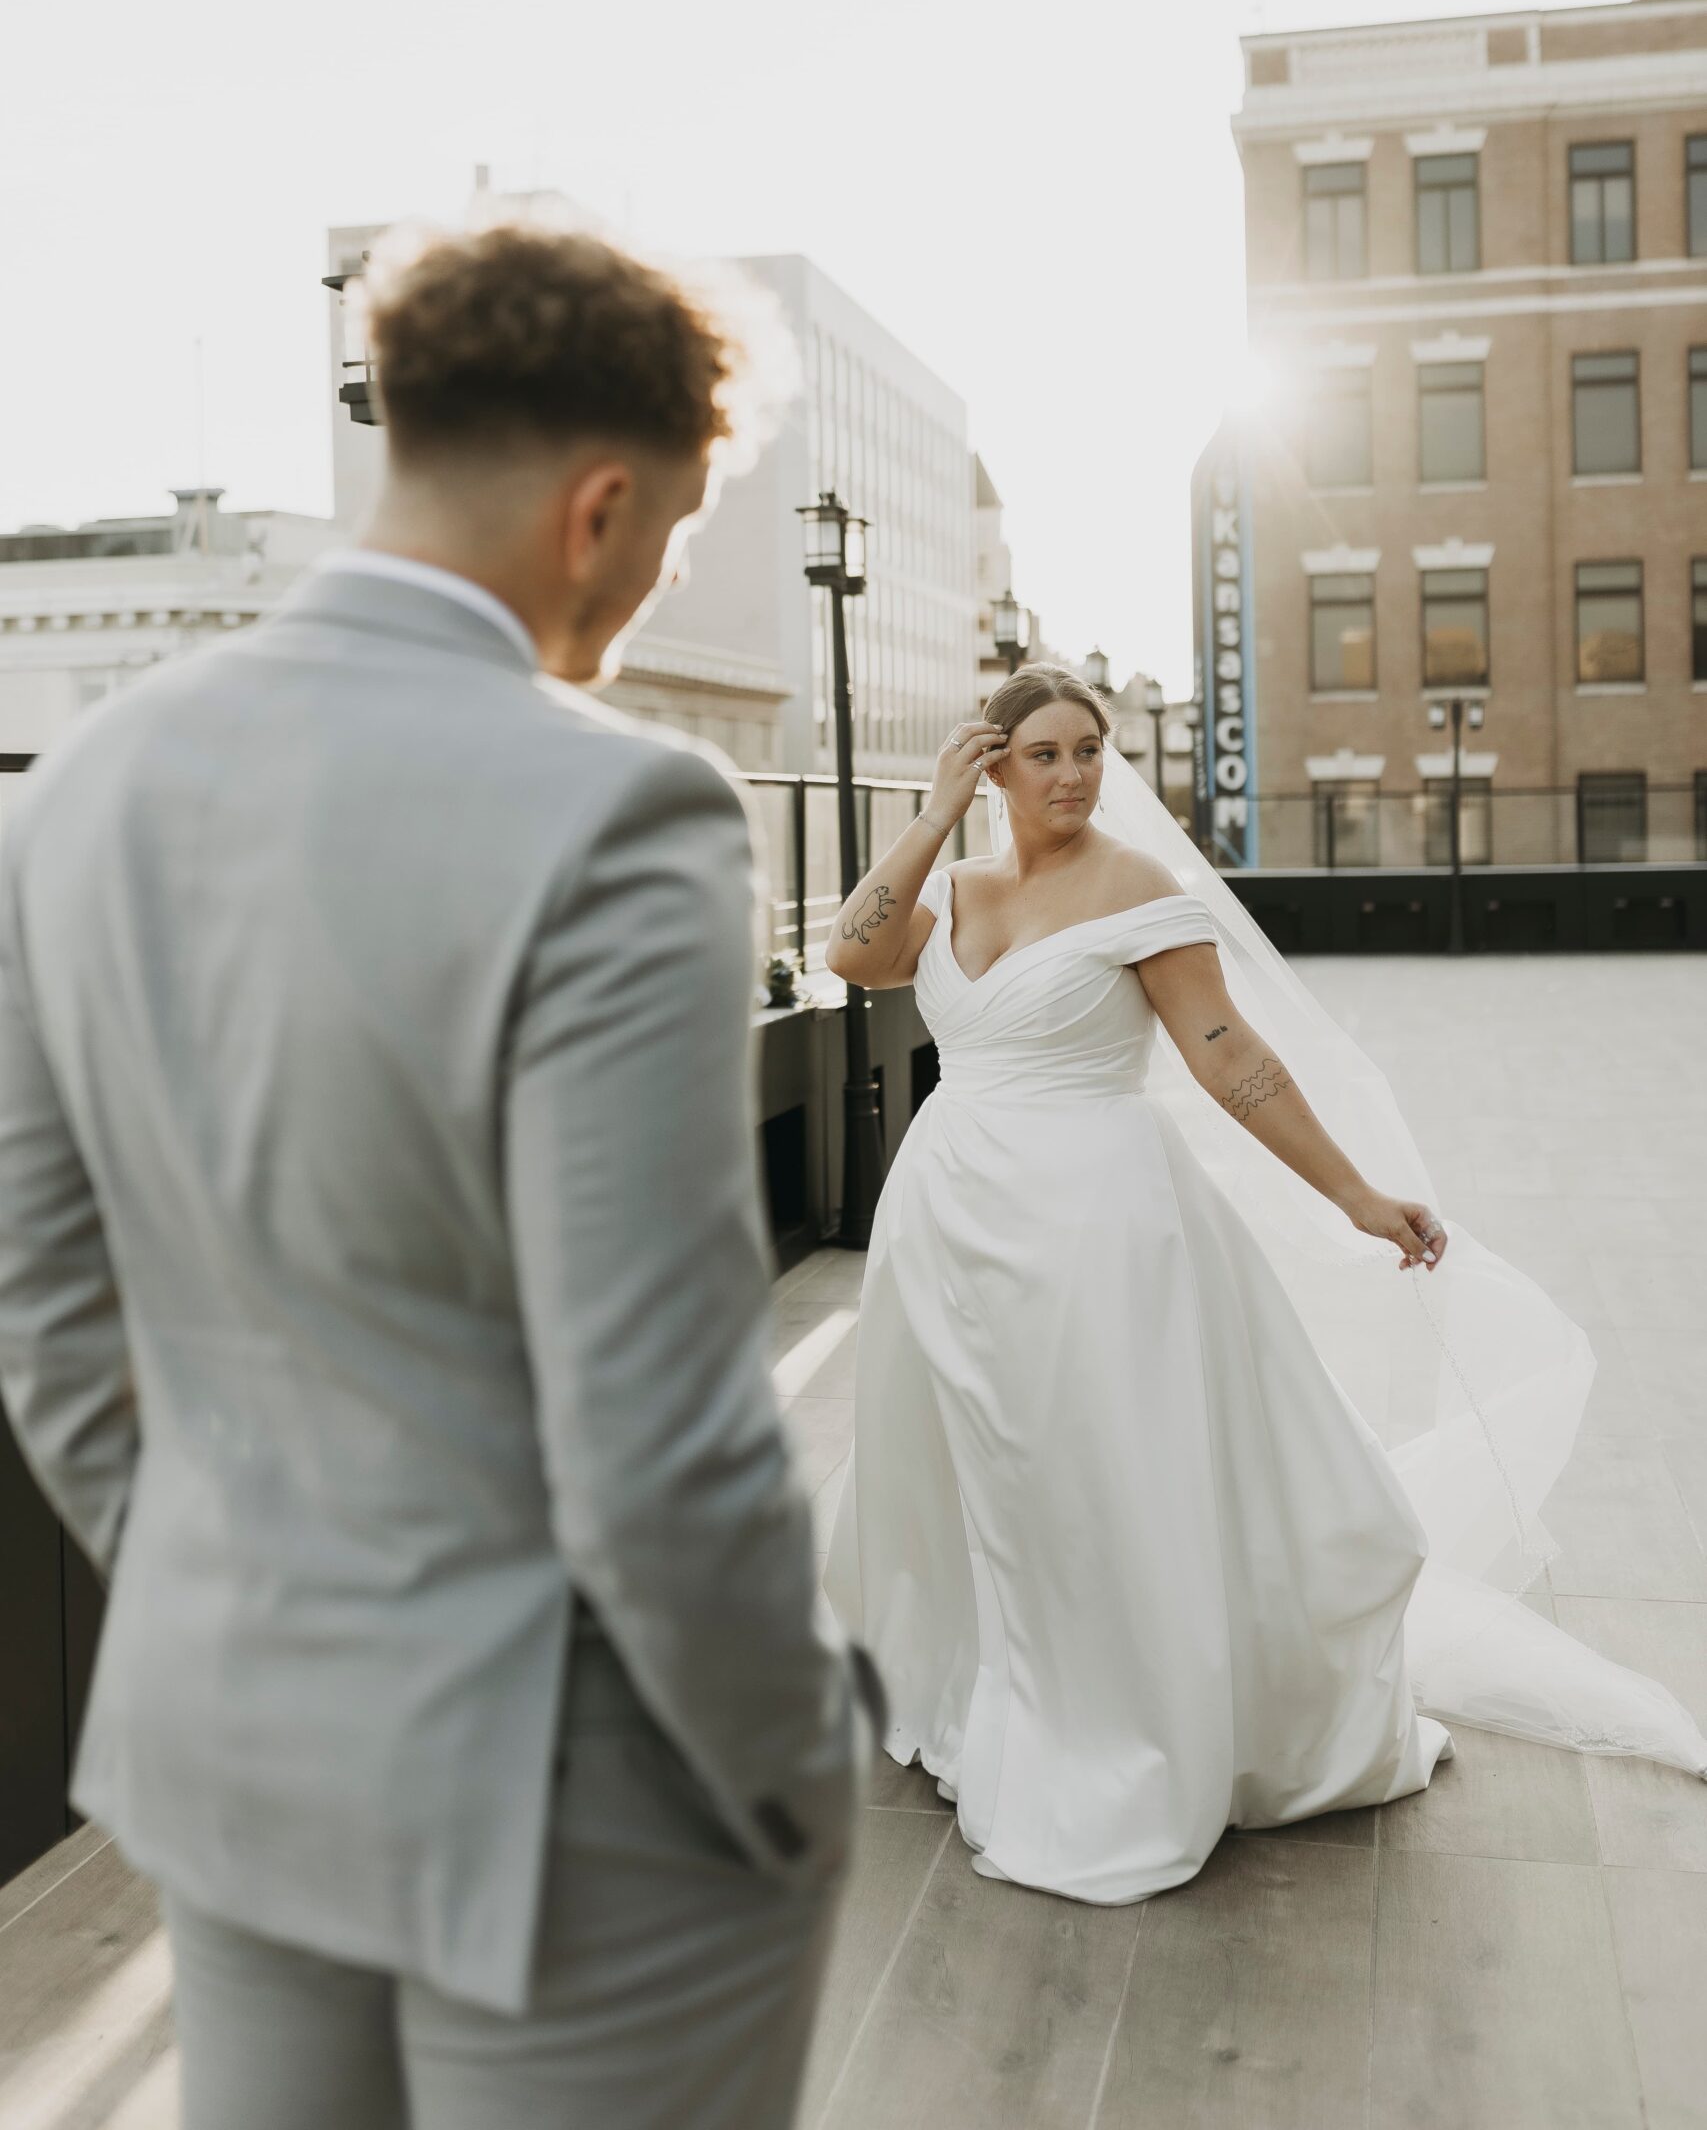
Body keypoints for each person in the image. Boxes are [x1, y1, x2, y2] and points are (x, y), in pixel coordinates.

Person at [0, 221, 878, 2129]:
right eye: (669, 535)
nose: (648, 587)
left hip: (232, 1744)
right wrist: (800, 1758)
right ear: (599, 506)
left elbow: (48, 1321)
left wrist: (242, 1602)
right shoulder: (620, 811)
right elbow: (653, 1433)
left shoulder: (76, 796)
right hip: (576, 1794)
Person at [822, 662, 1707, 1906]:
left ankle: (1116, 1724)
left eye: (1090, 749)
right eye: (1044, 755)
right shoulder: (954, 884)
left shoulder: (1142, 891)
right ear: (992, 765)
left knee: (1089, 1472)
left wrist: (1354, 1193)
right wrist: (925, 818)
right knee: (965, 1460)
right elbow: (852, 956)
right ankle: (983, 1676)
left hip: (1093, 1227)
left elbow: (1230, 1055)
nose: (1074, 774)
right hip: (949, 1217)